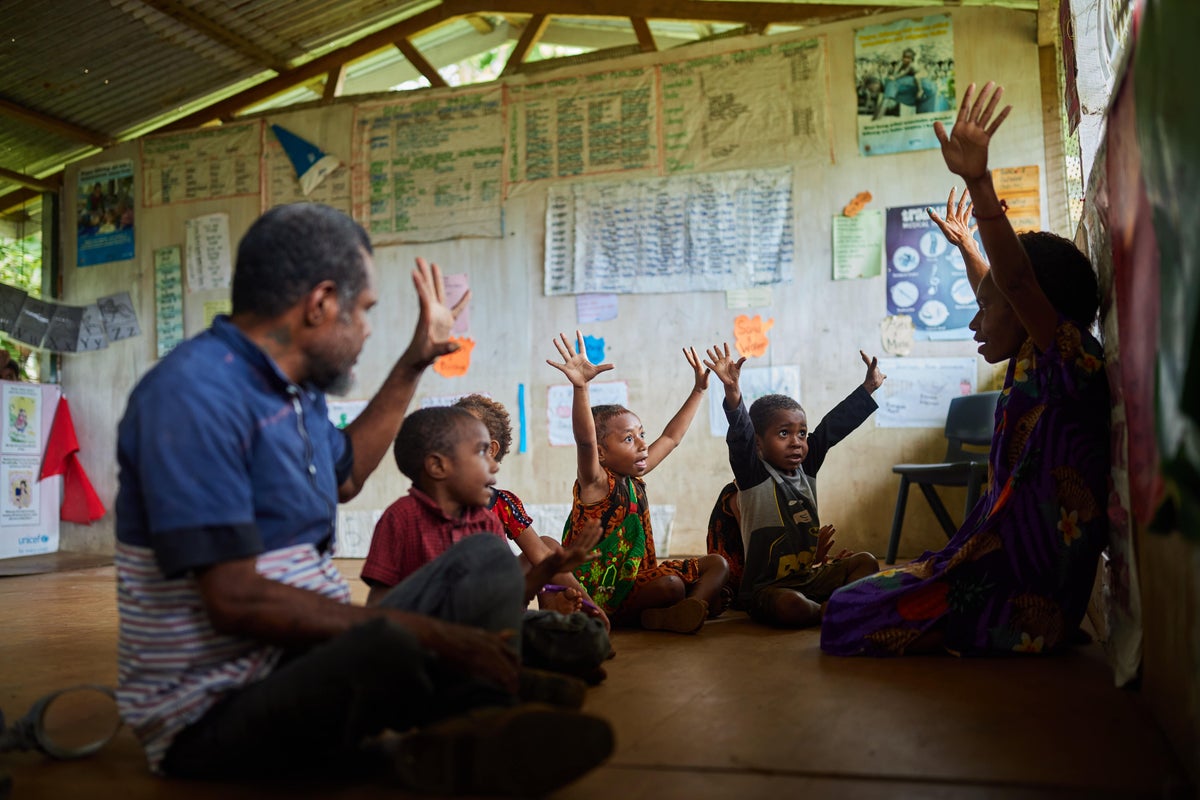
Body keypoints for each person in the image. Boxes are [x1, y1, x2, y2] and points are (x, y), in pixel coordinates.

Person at [114, 203, 613, 795]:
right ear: (322, 302)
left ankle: (479, 706)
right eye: (367, 310)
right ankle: (444, 731)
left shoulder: (290, 391)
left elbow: (344, 474)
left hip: (297, 659)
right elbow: (234, 600)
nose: (370, 328)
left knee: (486, 559)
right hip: (217, 708)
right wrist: (433, 634)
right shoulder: (195, 396)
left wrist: (417, 358)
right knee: (389, 641)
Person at [820, 82, 1110, 657]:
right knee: (857, 601)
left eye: (987, 309)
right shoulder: (1044, 355)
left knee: (846, 616)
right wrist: (965, 245)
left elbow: (1016, 283)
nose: (977, 324)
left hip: (1026, 595)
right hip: (1014, 575)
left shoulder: (1064, 357)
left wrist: (979, 184)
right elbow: (1003, 288)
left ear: (1030, 310)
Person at [361, 405, 612, 683]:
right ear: (438, 466)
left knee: (586, 637)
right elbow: (379, 607)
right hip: (432, 640)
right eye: (481, 452)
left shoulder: (486, 520)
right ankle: (521, 680)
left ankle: (517, 676)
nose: (494, 463)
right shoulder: (400, 518)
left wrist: (548, 569)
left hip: (492, 630)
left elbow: (506, 600)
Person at [548, 331, 730, 634]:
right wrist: (581, 388)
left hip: (637, 579)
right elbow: (584, 441)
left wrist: (698, 390)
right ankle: (655, 614)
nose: (643, 445)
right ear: (602, 452)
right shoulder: (595, 482)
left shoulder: (634, 478)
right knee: (671, 586)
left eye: (642, 435)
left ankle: (691, 608)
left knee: (717, 565)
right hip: (603, 590)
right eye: (629, 439)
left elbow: (671, 438)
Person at [703, 344, 884, 627]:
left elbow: (831, 428)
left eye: (801, 433)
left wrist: (868, 388)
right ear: (759, 443)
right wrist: (733, 394)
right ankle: (831, 610)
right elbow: (741, 438)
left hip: (809, 577)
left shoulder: (806, 468)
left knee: (866, 562)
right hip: (768, 590)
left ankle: (830, 606)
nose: (797, 441)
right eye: (784, 433)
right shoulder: (754, 477)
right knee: (791, 605)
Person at [454, 393, 611, 630]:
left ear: (491, 450)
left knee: (546, 545)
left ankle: (553, 613)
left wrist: (594, 611)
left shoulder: (502, 503)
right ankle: (545, 621)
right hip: (459, 610)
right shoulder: (436, 504)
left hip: (504, 599)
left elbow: (542, 556)